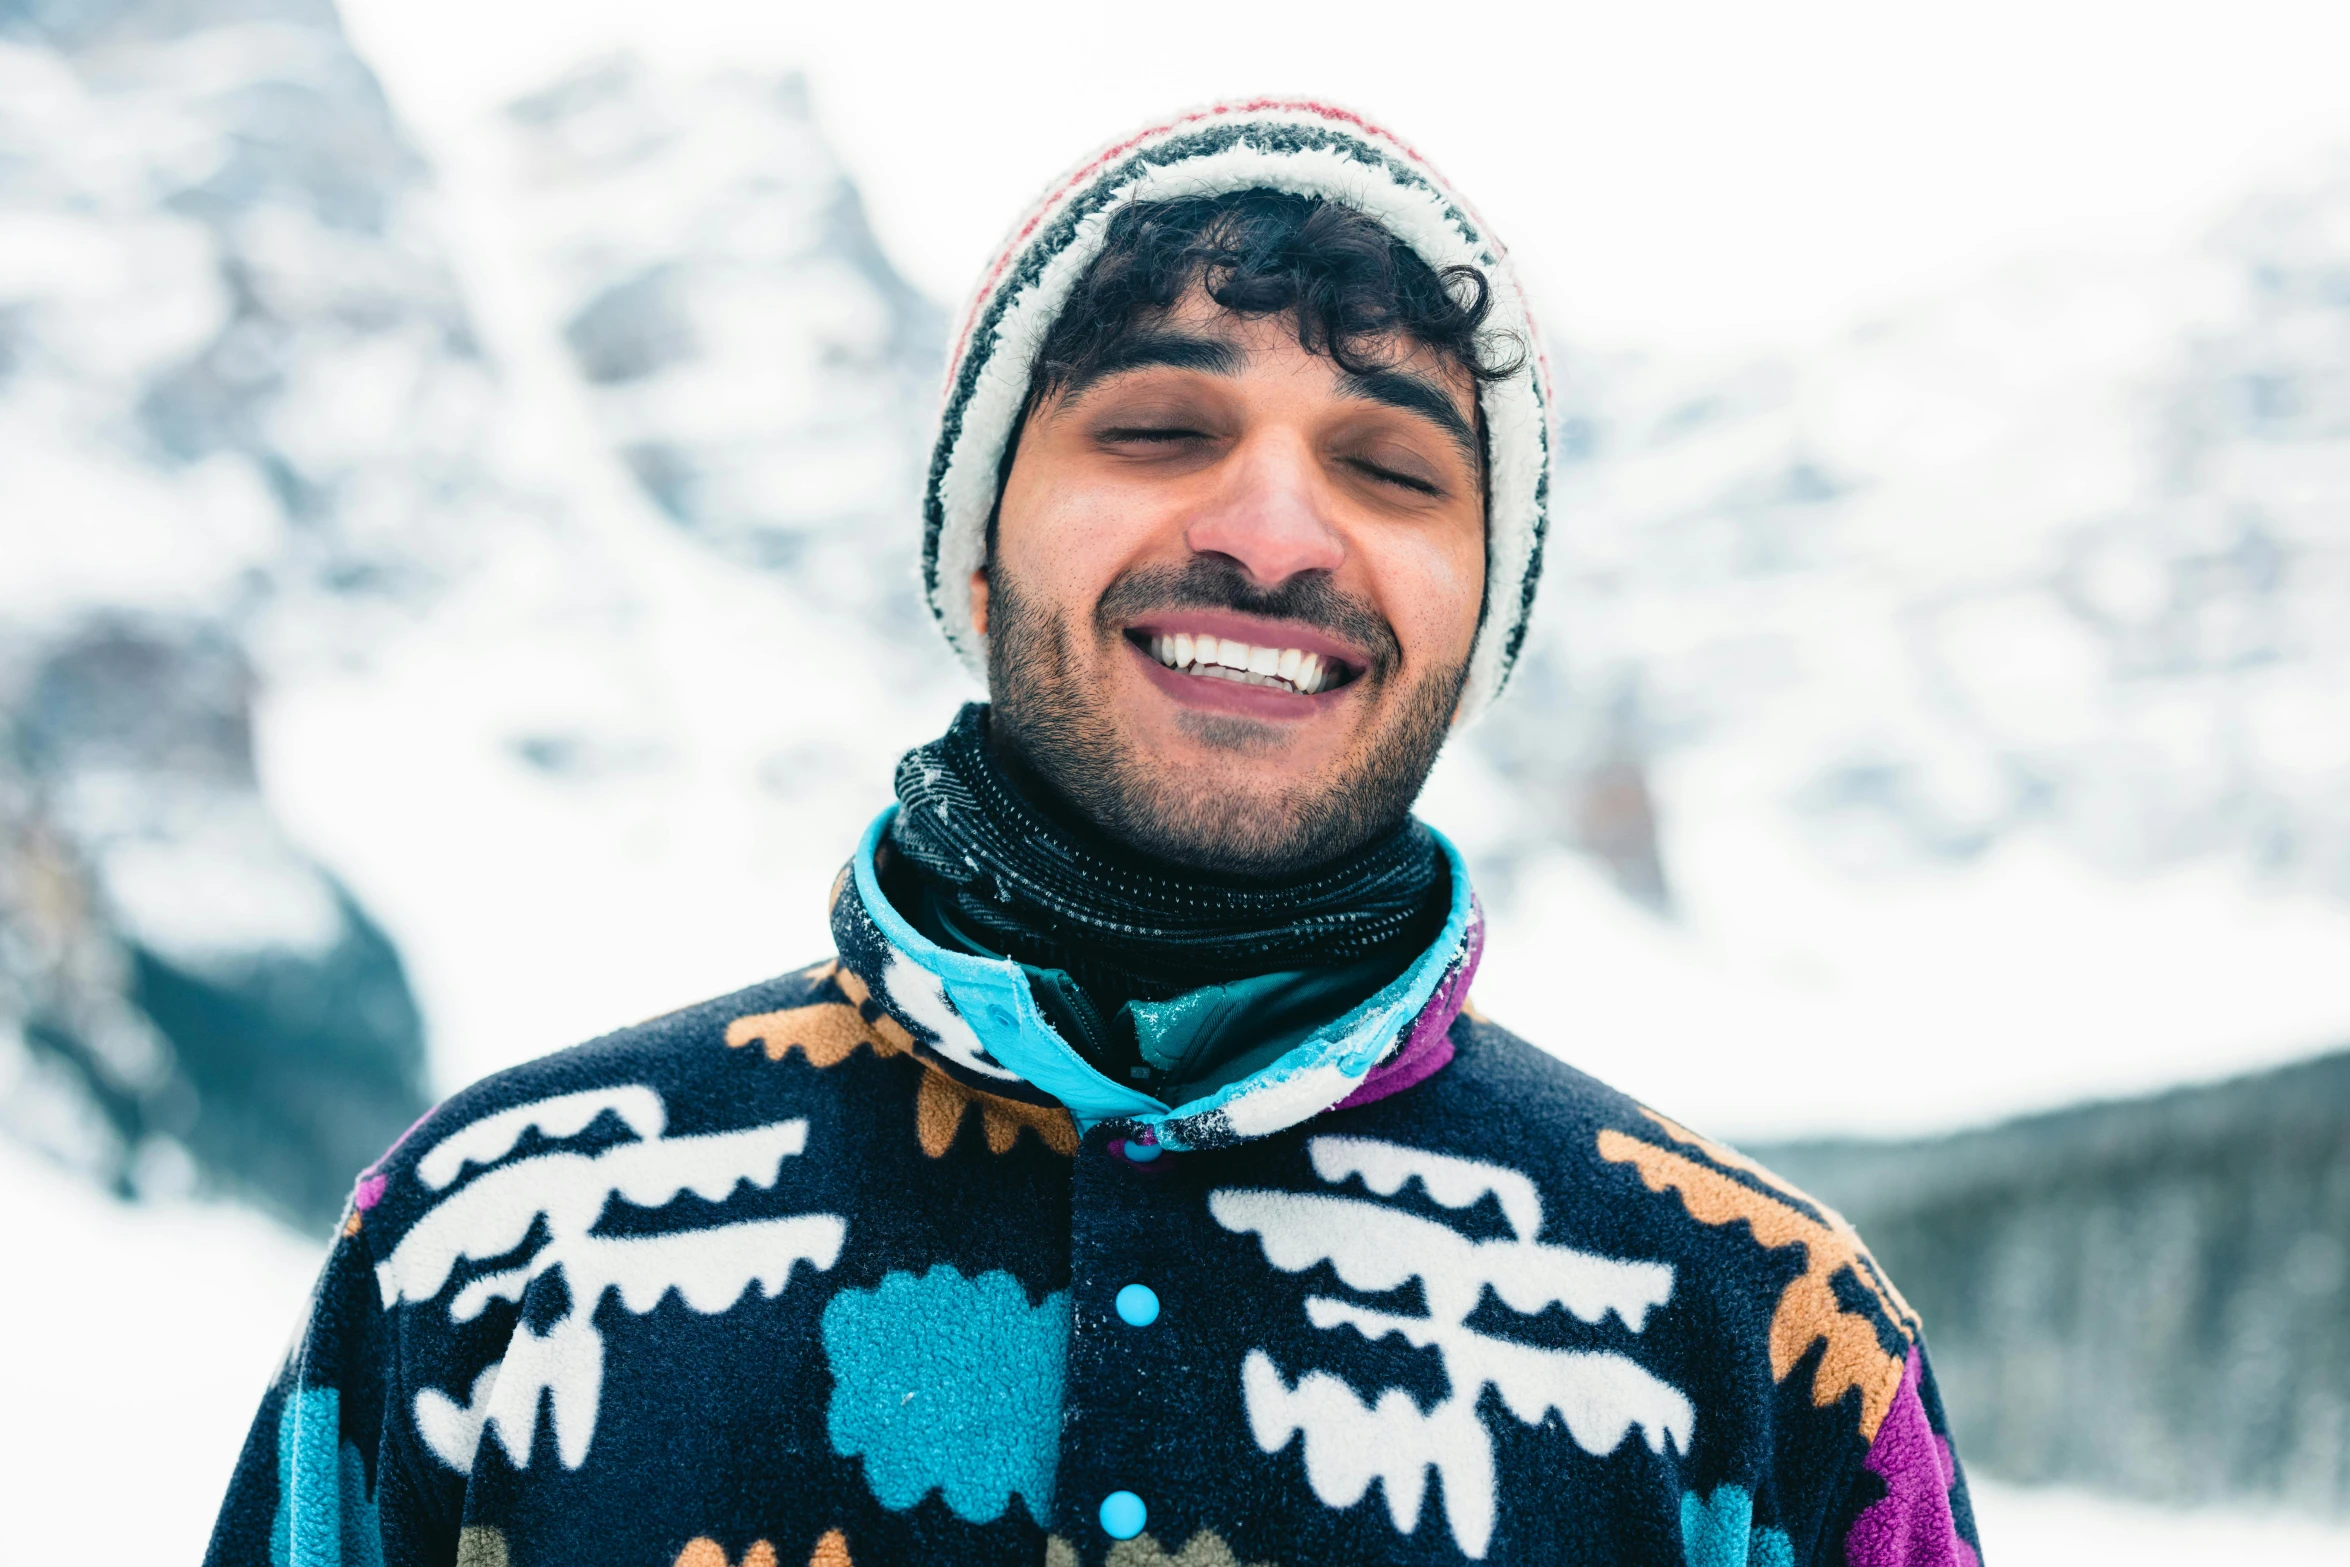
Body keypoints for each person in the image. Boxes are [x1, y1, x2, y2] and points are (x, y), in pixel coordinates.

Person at [206, 101, 1981, 1567]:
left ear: (1480, 616)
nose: (1276, 532)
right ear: (977, 551)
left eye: (1393, 468)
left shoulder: (1766, 1350)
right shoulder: (490, 1247)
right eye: (1155, 424)